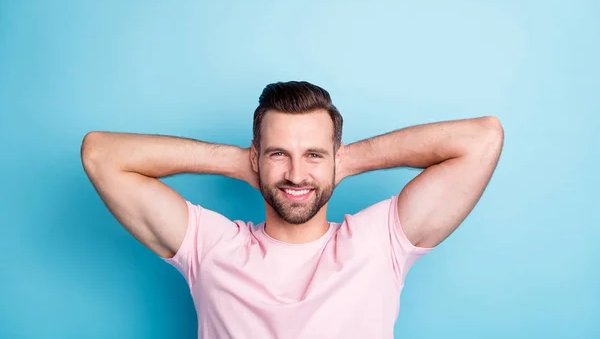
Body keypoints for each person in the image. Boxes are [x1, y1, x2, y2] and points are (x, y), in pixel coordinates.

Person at [80, 81, 504, 339]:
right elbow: (101, 154)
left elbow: (482, 139)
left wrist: (346, 160)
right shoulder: (210, 248)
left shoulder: (379, 244)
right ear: (257, 157)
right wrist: (239, 161)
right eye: (279, 154)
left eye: (314, 156)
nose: (296, 174)